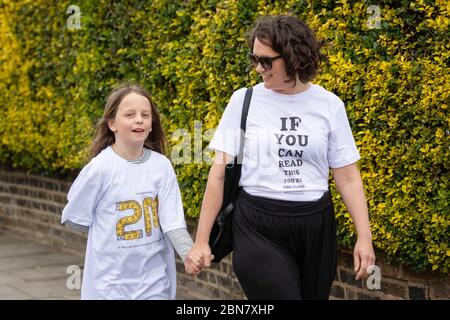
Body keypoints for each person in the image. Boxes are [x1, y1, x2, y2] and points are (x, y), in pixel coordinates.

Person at [187, 15, 376, 299]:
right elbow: (219, 172)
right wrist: (201, 241)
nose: (258, 68)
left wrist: (365, 236)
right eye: (254, 58)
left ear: (294, 58)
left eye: (266, 61)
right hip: (257, 225)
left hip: (316, 227)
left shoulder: (329, 105)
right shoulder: (244, 101)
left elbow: (347, 177)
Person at [61, 84, 203, 299]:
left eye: (145, 115)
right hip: (109, 286)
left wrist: (188, 253)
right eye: (130, 114)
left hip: (154, 284)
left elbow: (172, 221)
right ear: (112, 123)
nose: (139, 119)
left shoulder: (161, 166)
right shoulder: (100, 168)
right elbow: (76, 219)